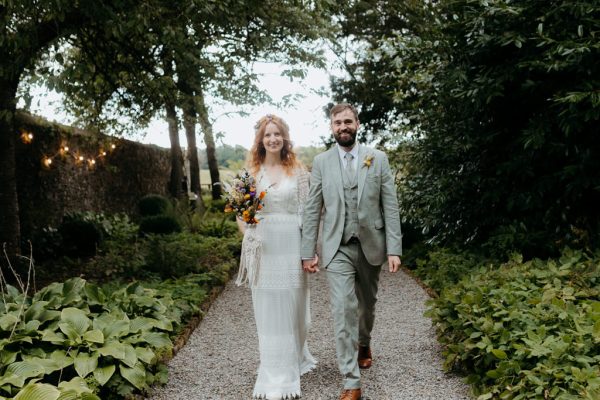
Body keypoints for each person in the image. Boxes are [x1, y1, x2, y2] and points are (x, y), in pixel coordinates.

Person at [301, 103, 402, 400]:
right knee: (342, 309)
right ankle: (351, 381)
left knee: (366, 305)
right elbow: (312, 209)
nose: (343, 127)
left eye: (348, 121)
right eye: (337, 123)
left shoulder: (378, 159)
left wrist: (394, 248)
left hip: (371, 245)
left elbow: (390, 206)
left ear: (357, 123)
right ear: (331, 128)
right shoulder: (321, 162)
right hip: (337, 248)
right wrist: (308, 251)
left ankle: (364, 341)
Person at [238, 114, 317, 400]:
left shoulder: (299, 172)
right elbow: (241, 213)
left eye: (277, 134)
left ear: (284, 138)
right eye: (267, 135)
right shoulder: (249, 174)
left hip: (292, 243)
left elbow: (309, 213)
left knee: (295, 307)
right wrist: (249, 234)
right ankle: (275, 368)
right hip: (264, 245)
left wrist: (310, 251)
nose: (272, 139)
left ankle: (295, 355)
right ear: (260, 141)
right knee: (269, 306)